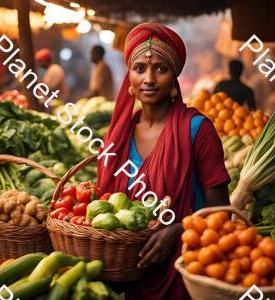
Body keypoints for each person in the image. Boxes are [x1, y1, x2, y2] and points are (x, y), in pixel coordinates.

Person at [97, 23, 230, 300]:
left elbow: (222, 211)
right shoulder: (120, 135)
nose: (149, 79)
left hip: (186, 273)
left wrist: (180, 230)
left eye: (161, 68)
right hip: (132, 274)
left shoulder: (197, 130)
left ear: (174, 78)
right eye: (140, 69)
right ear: (128, 78)